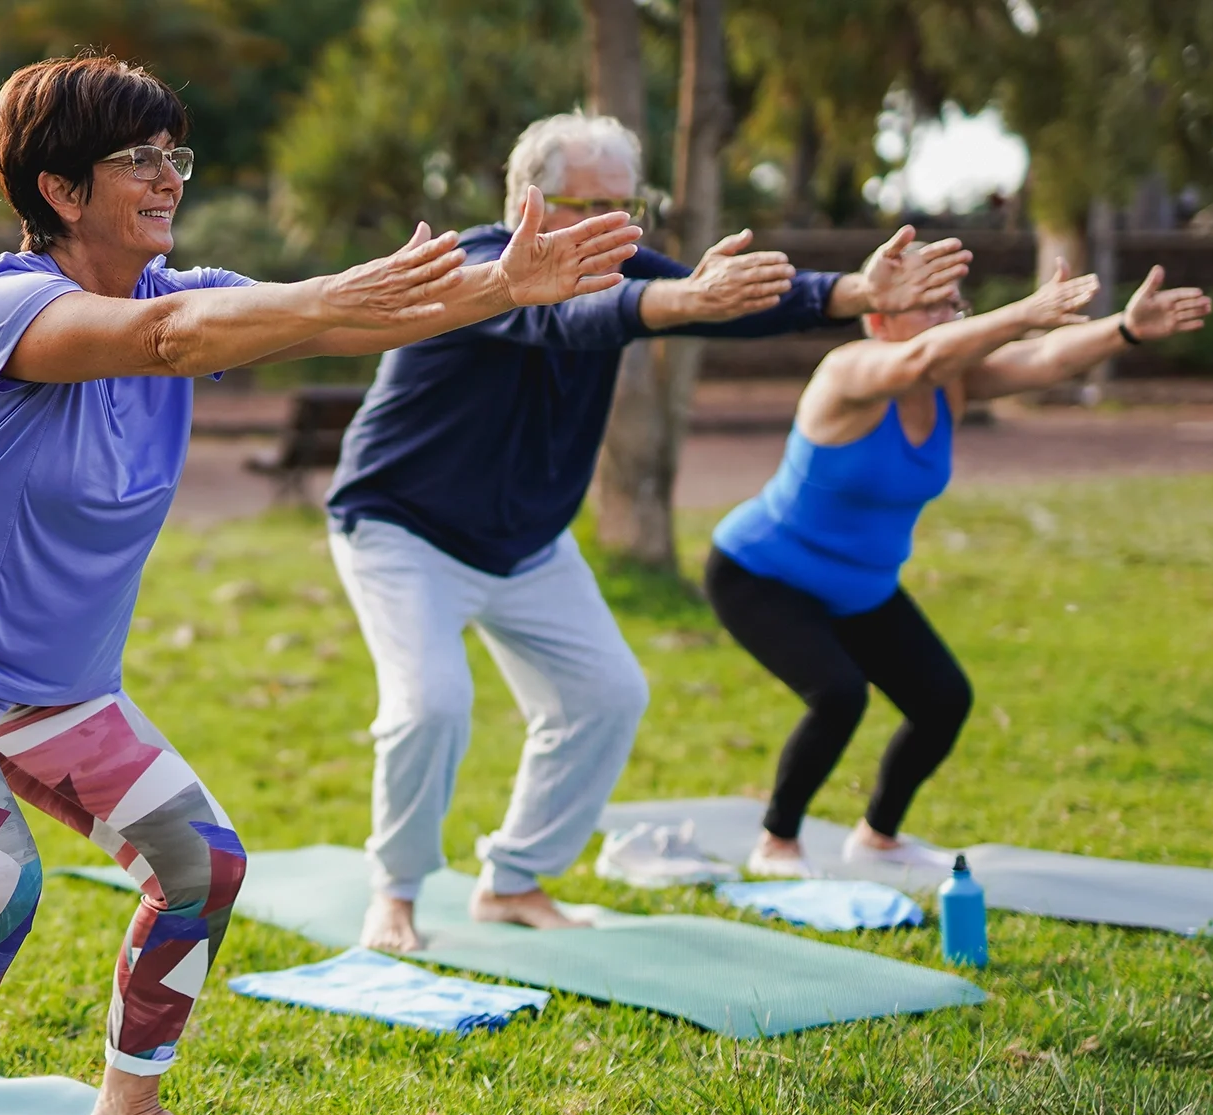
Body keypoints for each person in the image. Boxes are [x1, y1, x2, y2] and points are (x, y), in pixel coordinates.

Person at [0, 56, 643, 1115]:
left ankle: (132, 1106)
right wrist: (348, 297)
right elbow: (176, 341)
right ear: (61, 191)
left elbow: (342, 319)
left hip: (53, 683)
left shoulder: (185, 290)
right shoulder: (5, 305)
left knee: (204, 865)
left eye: (174, 156)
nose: (168, 178)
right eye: (140, 159)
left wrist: (508, 288)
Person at [328, 112, 973, 953]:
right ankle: (398, 893)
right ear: (530, 199)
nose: (611, 228)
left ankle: (514, 881)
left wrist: (854, 293)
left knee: (605, 696)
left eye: (627, 208)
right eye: (584, 204)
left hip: (525, 541)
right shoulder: (477, 267)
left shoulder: (615, 263)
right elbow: (584, 318)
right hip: (402, 526)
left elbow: (724, 304)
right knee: (432, 704)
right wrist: (678, 301)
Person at [707, 261, 1212, 877]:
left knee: (942, 700)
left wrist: (1124, 330)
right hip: (762, 572)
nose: (948, 318)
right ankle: (777, 842)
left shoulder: (954, 382)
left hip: (861, 585)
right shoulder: (848, 372)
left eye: (953, 306)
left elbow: (1047, 359)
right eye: (931, 304)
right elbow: (918, 361)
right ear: (878, 316)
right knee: (838, 695)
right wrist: (1022, 312)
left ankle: (878, 837)